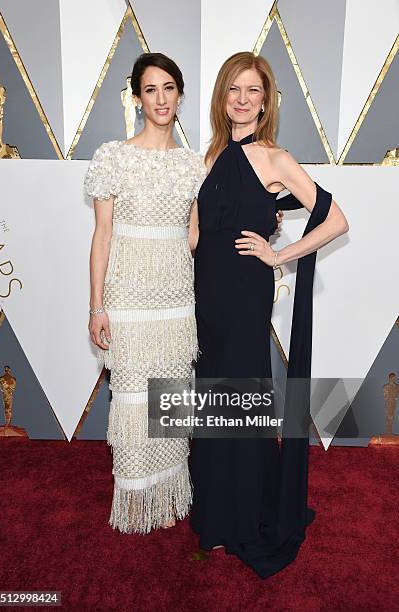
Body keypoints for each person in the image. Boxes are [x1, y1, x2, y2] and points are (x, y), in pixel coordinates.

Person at [189, 51, 349, 578]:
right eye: (233, 89)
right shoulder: (210, 154)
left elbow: (336, 219)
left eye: (252, 90)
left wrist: (279, 255)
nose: (241, 98)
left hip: (243, 295)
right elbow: (196, 236)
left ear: (266, 99)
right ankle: (216, 510)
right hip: (205, 295)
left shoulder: (276, 159)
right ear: (222, 96)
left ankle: (240, 518)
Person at [83, 53, 206, 534]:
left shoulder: (192, 164)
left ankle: (169, 492)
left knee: (171, 395)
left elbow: (195, 235)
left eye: (169, 87)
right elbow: (102, 235)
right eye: (150, 89)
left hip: (176, 298)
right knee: (135, 397)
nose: (160, 98)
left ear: (179, 95)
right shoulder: (113, 156)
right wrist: (97, 306)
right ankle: (137, 497)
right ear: (137, 97)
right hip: (128, 296)